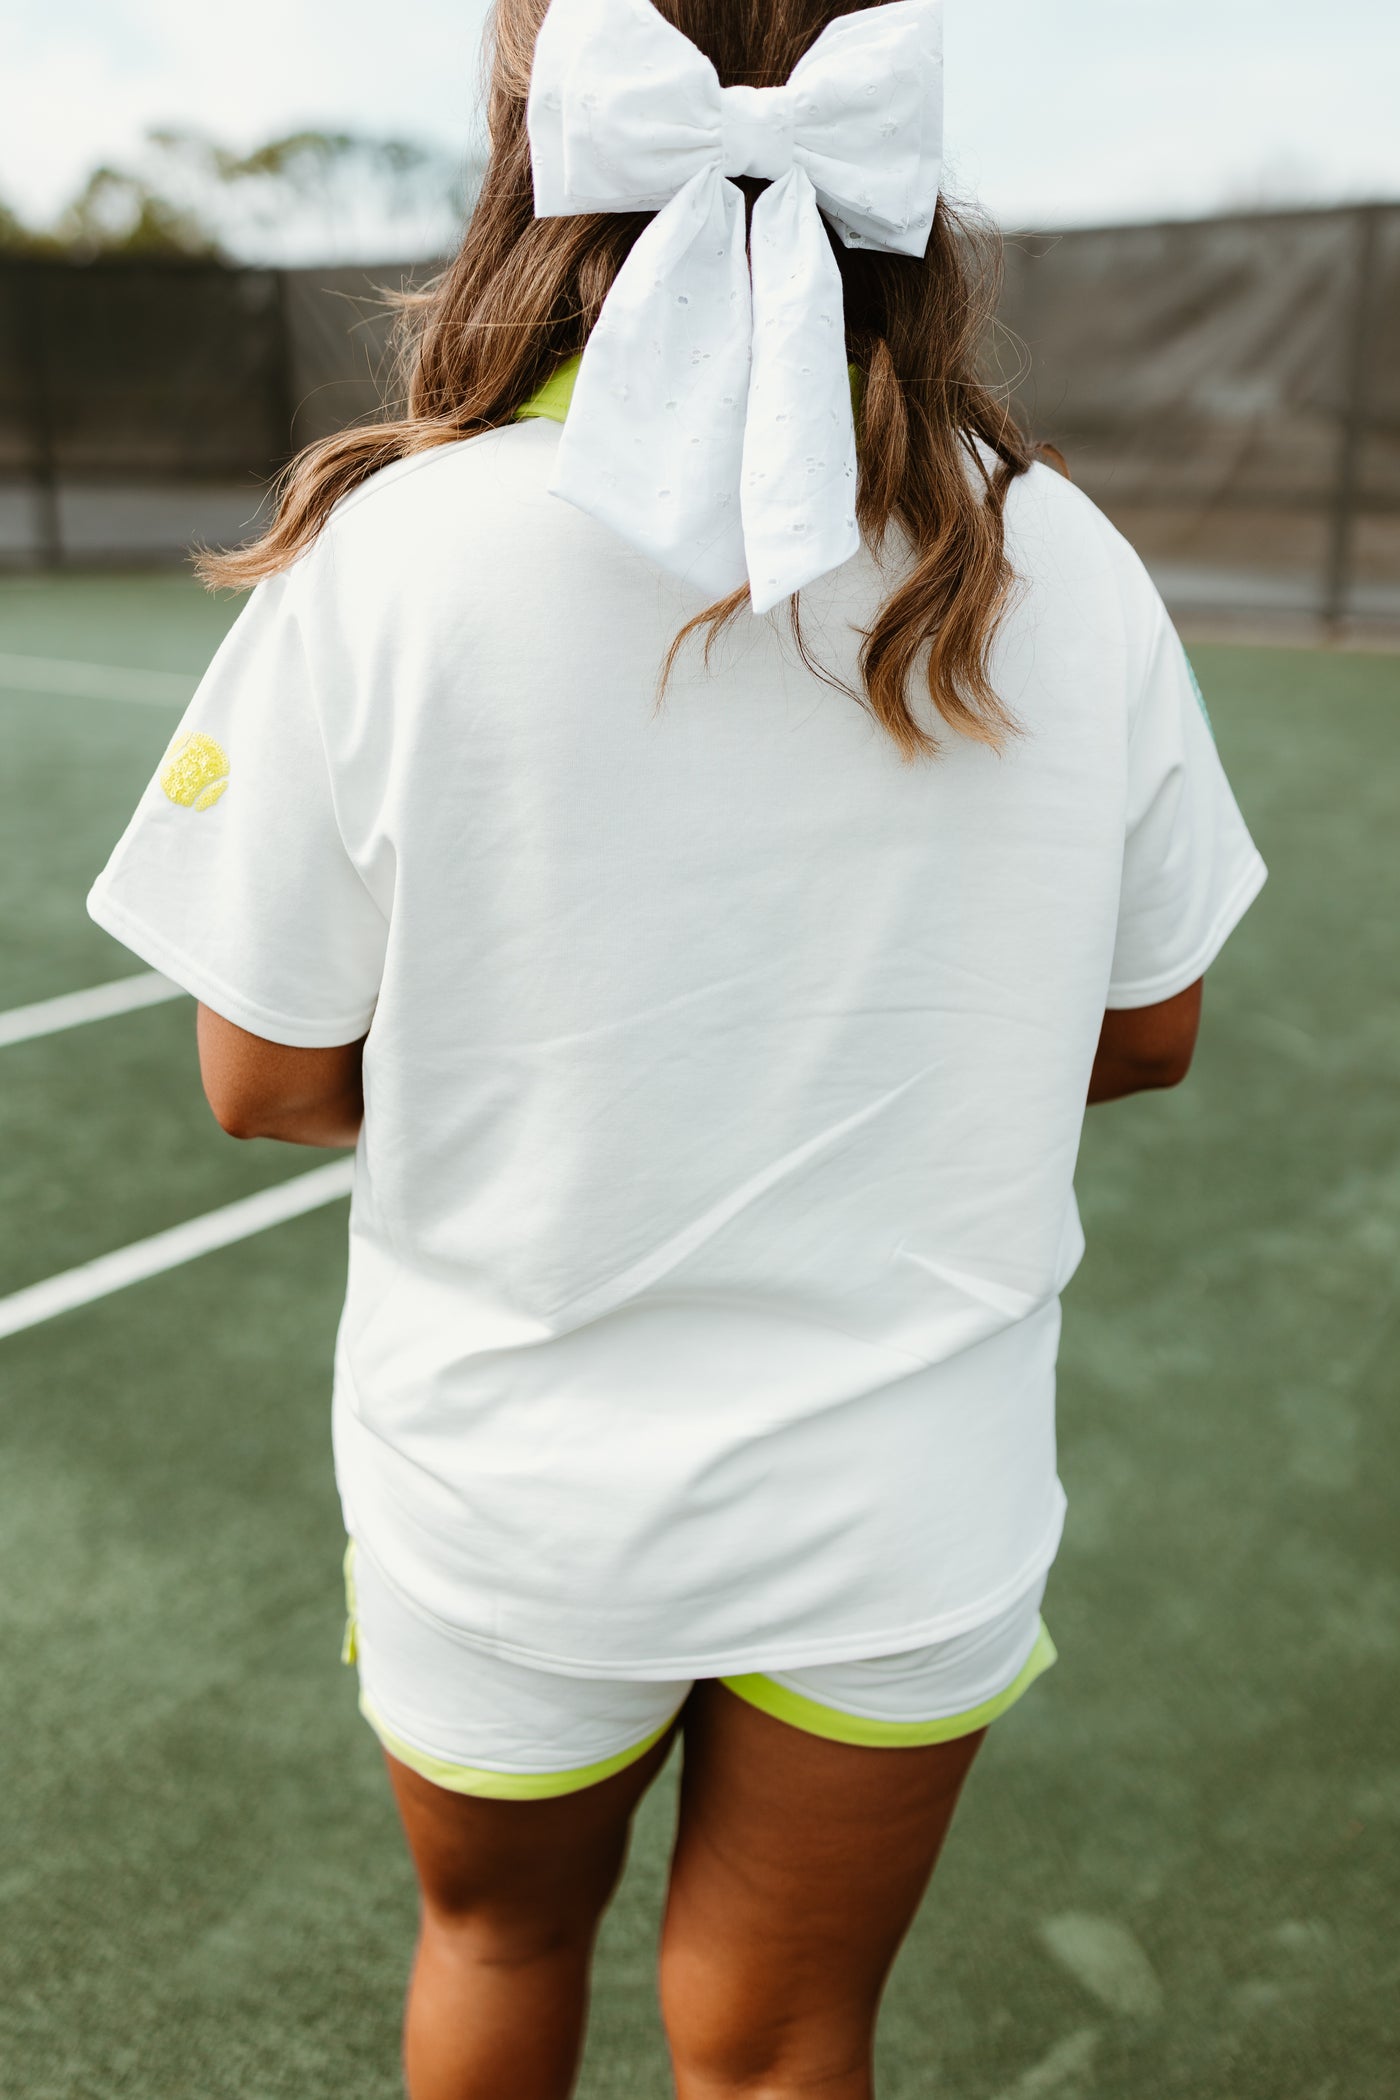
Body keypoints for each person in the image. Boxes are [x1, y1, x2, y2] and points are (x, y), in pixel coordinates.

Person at [86, 0, 1267, 2094]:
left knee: (493, 1944)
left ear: (535, 151)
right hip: (908, 1501)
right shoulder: (1057, 556)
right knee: (788, 2039)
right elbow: (1150, 1026)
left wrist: (564, 1071)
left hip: (513, 1501)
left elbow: (260, 1078)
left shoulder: (396, 557)